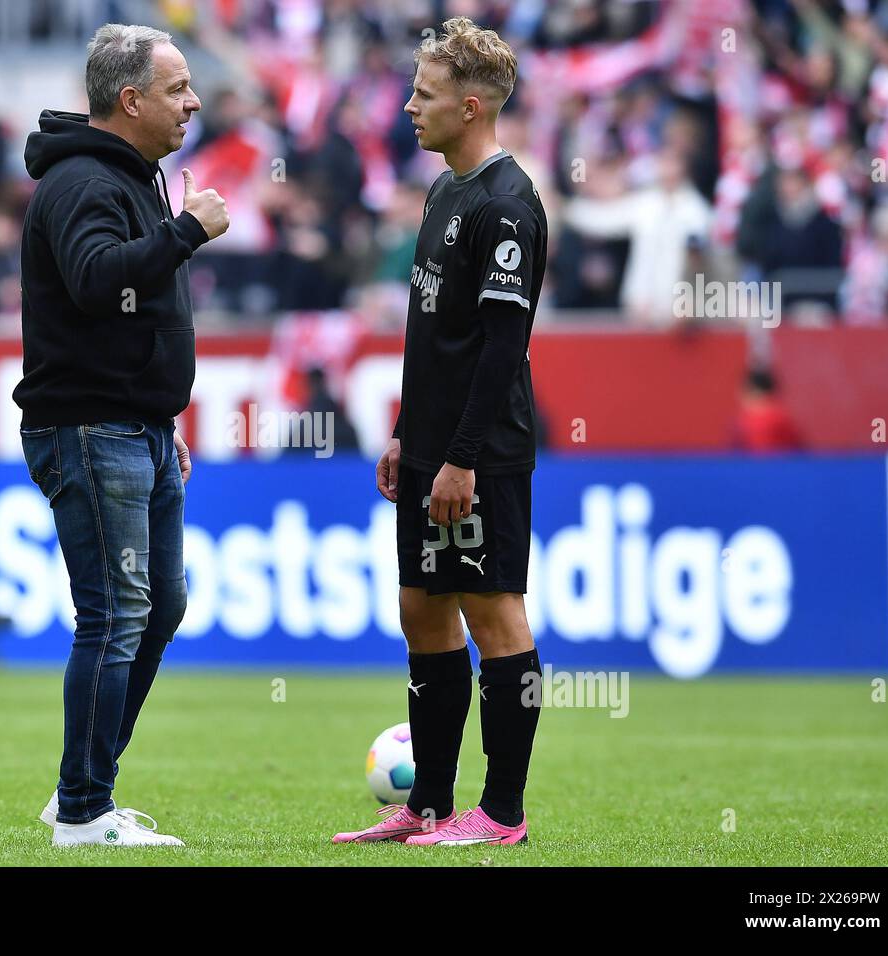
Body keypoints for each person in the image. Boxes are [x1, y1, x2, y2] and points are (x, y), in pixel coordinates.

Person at [331, 17, 547, 847]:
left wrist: (458, 457)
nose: (408, 108)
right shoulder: (442, 190)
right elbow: (434, 337)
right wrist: (401, 431)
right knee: (423, 608)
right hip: (426, 445)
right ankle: (427, 804)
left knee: (495, 612)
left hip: (479, 450)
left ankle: (500, 814)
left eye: (423, 95)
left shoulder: (506, 204)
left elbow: (501, 349)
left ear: (469, 104)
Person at [14, 23, 228, 848]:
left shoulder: (133, 176)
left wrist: (156, 413)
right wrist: (187, 232)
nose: (194, 102)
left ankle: (82, 789)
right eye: (178, 89)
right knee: (115, 613)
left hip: (135, 425)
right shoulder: (80, 184)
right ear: (130, 99)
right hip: (90, 426)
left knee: (157, 605)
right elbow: (99, 280)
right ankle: (82, 812)